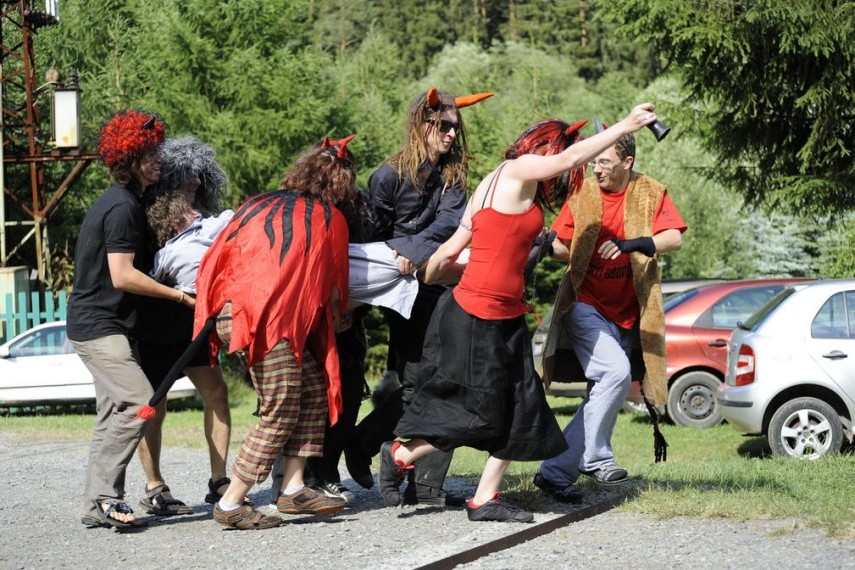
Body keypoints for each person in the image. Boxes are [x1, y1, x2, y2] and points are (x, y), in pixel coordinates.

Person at [378, 104, 662, 523]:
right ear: (546, 149)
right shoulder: (518, 169)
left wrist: (441, 271)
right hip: (480, 316)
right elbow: (569, 159)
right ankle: (402, 453)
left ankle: (484, 499)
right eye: (561, 155)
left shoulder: (488, 186)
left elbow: (447, 257)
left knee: (523, 406)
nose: (567, 173)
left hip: (503, 315)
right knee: (477, 409)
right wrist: (627, 125)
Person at [194, 135, 358, 530]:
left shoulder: (256, 203)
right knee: (280, 407)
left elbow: (218, 258)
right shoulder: (329, 218)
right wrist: (342, 316)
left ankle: (294, 488)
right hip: (268, 322)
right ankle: (231, 502)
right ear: (339, 182)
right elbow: (335, 285)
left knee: (313, 390)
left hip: (239, 313)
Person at [351, 87, 492, 507]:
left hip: (442, 284)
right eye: (443, 125)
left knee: (442, 380)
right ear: (422, 124)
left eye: (455, 127)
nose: (451, 134)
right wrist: (402, 255)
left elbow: (450, 225)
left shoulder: (454, 175)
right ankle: (378, 452)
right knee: (418, 383)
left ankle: (414, 476)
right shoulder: (386, 176)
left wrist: (412, 249)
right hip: (401, 293)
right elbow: (374, 239)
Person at [533, 121, 687, 502]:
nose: (595, 168)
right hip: (584, 305)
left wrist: (636, 243)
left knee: (603, 394)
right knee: (615, 373)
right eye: (594, 161)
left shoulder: (649, 191)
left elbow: (674, 238)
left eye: (603, 161)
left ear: (627, 162)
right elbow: (565, 247)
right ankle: (597, 458)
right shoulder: (583, 193)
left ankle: (554, 474)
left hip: (629, 314)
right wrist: (542, 243)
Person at [68, 110, 195, 530]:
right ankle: (107, 497)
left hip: (105, 326)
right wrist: (179, 295)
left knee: (111, 414)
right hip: (99, 326)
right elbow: (122, 275)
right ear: (130, 158)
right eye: (150, 153)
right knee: (142, 400)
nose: (159, 159)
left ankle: (96, 505)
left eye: (158, 151)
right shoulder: (122, 208)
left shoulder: (122, 202)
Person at [132, 137, 237, 515]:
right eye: (186, 176)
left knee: (217, 394)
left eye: (199, 176)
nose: (195, 182)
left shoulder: (206, 223)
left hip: (195, 325)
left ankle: (219, 479)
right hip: (154, 326)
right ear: (168, 181)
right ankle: (154, 486)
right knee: (153, 405)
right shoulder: (142, 221)